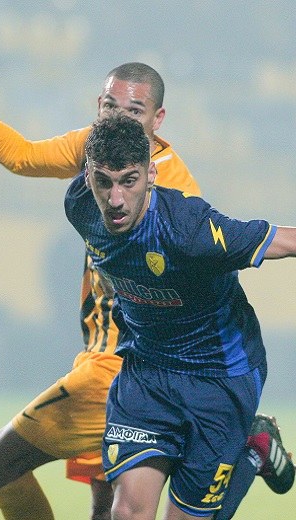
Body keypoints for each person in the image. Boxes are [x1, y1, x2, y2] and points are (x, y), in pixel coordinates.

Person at [0, 61, 294, 519]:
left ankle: (245, 450)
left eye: (134, 111)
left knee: (8, 463)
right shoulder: (88, 176)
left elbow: (248, 254)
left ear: (156, 126)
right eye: (109, 106)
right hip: (136, 367)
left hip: (172, 367)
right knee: (113, 510)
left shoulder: (181, 213)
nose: (115, 197)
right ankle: (248, 444)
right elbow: (23, 156)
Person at [65, 112, 296, 520]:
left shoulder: (189, 230)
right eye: (104, 182)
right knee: (128, 513)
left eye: (129, 181)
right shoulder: (80, 206)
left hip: (219, 378)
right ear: (88, 177)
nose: (115, 199)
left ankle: (253, 450)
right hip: (147, 372)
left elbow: (285, 241)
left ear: (151, 174)